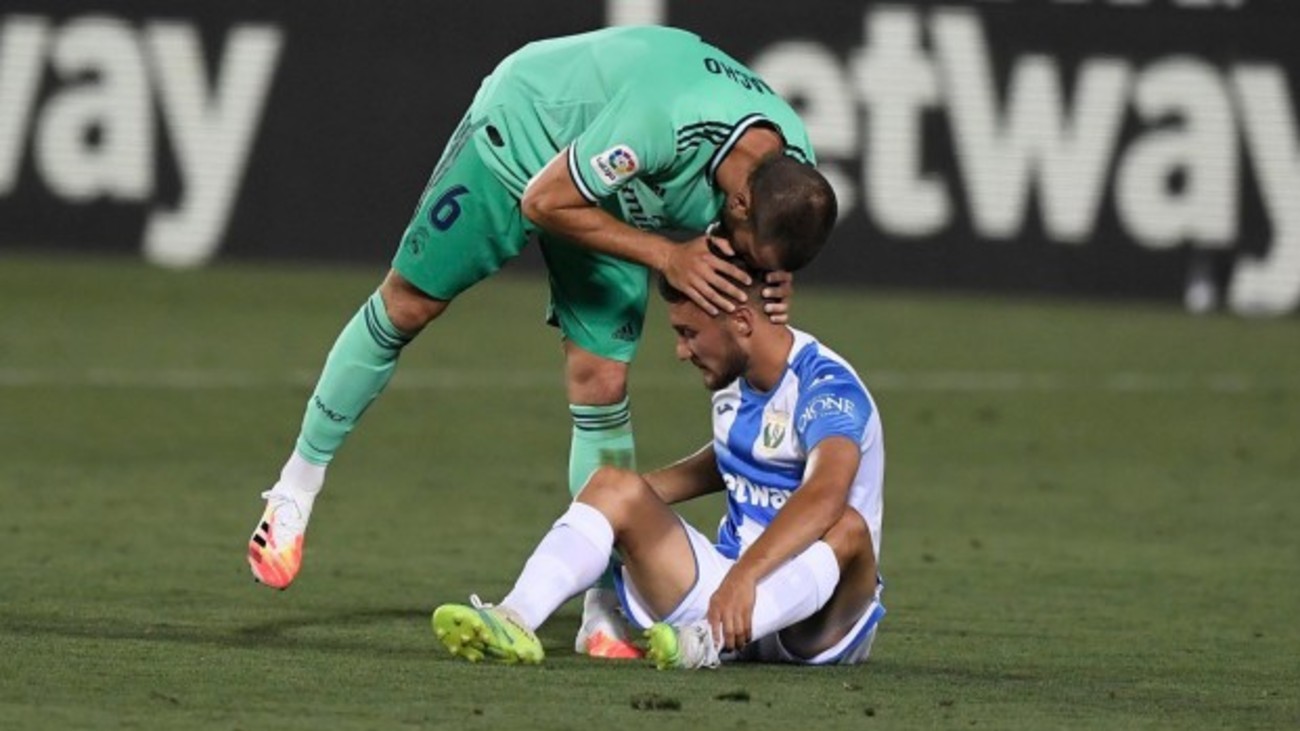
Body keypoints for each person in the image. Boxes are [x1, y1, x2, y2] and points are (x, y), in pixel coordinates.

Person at [245, 25, 840, 660]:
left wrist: (772, 285)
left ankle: (604, 610)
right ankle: (293, 492)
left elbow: (765, 256)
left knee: (602, 378)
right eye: (747, 249)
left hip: (616, 195)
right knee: (408, 306)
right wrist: (667, 255)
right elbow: (545, 201)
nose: (743, 262)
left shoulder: (791, 169)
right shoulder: (662, 119)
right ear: (741, 200)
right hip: (527, 137)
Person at [431, 257, 885, 669]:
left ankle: (708, 642)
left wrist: (745, 577)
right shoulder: (733, 374)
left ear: (743, 322)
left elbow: (824, 495)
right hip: (725, 591)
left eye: (689, 334)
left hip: (817, 618)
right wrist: (624, 504)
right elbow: (741, 454)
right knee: (611, 485)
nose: (681, 351)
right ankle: (512, 619)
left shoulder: (827, 389)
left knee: (845, 525)